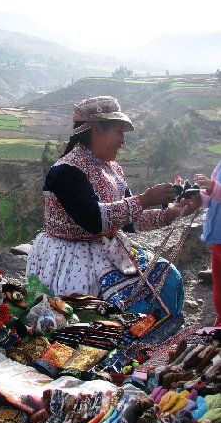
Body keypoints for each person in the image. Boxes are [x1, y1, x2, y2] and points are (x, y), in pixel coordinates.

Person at [26, 96, 200, 318]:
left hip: (108, 250)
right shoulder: (65, 171)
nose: (123, 140)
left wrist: (171, 213)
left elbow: (129, 221)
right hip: (72, 258)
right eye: (119, 131)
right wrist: (145, 199)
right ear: (97, 128)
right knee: (102, 318)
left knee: (169, 278)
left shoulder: (113, 169)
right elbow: (94, 221)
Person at [194, 166, 221, 326]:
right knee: (219, 287)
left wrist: (214, 188)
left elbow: (215, 189)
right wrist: (198, 198)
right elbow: (211, 199)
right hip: (218, 238)